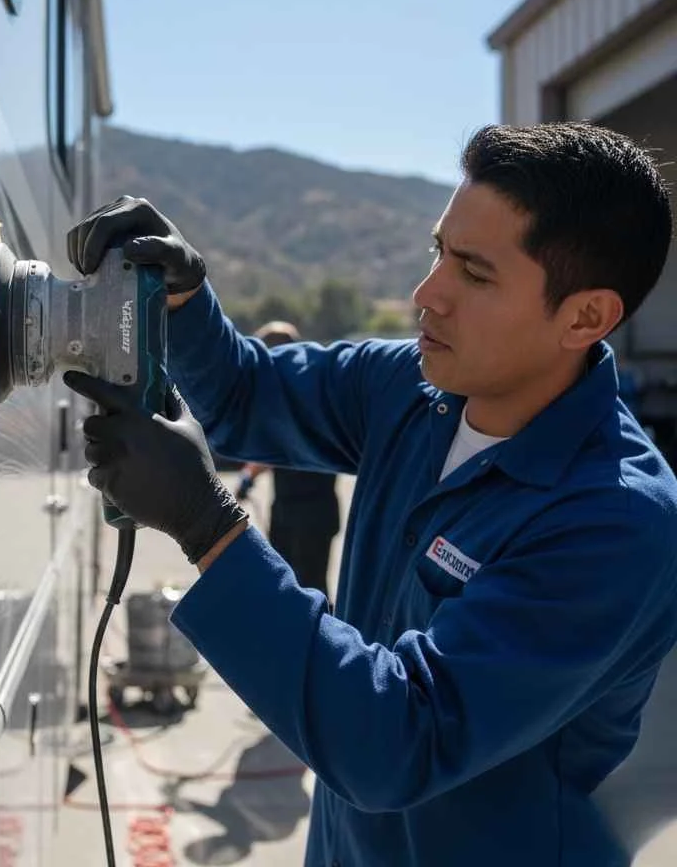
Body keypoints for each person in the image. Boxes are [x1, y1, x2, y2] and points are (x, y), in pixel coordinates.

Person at [63, 122, 677, 867]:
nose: (427, 295)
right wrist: (186, 298)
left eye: (475, 275)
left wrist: (209, 525)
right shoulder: (411, 388)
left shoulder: (613, 520)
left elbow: (399, 743)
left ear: (585, 316)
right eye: (438, 253)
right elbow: (248, 394)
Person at [234, 320, 340, 600]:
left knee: (310, 590)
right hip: (288, 508)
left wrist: (249, 475)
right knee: (286, 587)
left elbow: (279, 442)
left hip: (312, 511)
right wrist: (249, 475)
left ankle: (321, 644)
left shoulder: (312, 395)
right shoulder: (288, 393)